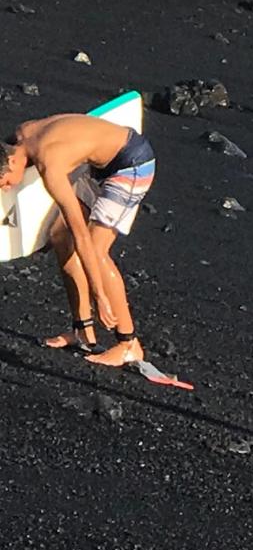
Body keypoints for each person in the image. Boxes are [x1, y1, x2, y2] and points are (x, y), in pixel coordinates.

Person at [0, 114, 156, 366]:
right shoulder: (21, 134)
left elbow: (81, 234)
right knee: (59, 236)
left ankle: (129, 343)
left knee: (95, 249)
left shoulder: (50, 166)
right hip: (97, 162)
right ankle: (82, 331)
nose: (6, 188)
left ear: (11, 161)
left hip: (132, 164)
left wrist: (99, 295)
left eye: (4, 182)